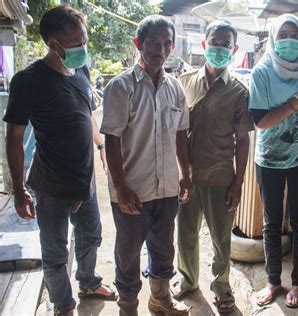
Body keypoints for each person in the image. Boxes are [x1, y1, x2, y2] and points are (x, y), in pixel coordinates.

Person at [3, 5, 115, 316]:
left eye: (85, 39)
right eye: (77, 42)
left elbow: (87, 115)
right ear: (54, 44)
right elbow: (13, 137)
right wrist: (17, 188)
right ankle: (63, 304)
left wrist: (102, 145)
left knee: (91, 235)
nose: (83, 47)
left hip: (85, 179)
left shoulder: (80, 70)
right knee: (54, 252)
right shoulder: (29, 81)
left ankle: (89, 282)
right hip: (51, 185)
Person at [100, 15, 191, 315]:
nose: (160, 49)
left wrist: (185, 175)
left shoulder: (176, 88)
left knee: (163, 248)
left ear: (173, 47)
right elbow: (112, 139)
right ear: (138, 43)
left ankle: (160, 299)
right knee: (127, 253)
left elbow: (180, 135)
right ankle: (128, 306)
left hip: (166, 188)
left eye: (166, 43)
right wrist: (121, 186)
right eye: (153, 42)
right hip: (133, 190)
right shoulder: (120, 87)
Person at [172, 21, 254, 313]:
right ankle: (187, 280)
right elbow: (177, 130)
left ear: (233, 49)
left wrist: (238, 183)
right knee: (186, 234)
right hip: (187, 177)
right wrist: (182, 174)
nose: (219, 48)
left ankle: (221, 287)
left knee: (221, 240)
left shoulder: (239, 91)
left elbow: (242, 141)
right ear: (204, 45)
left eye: (225, 44)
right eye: (214, 43)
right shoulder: (183, 82)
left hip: (221, 177)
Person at [249, 13, 298, 308]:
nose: (289, 41)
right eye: (283, 35)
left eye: (295, 35)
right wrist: (297, 100)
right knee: (271, 222)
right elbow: (262, 122)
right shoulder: (262, 72)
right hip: (268, 158)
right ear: (273, 39)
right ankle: (272, 281)